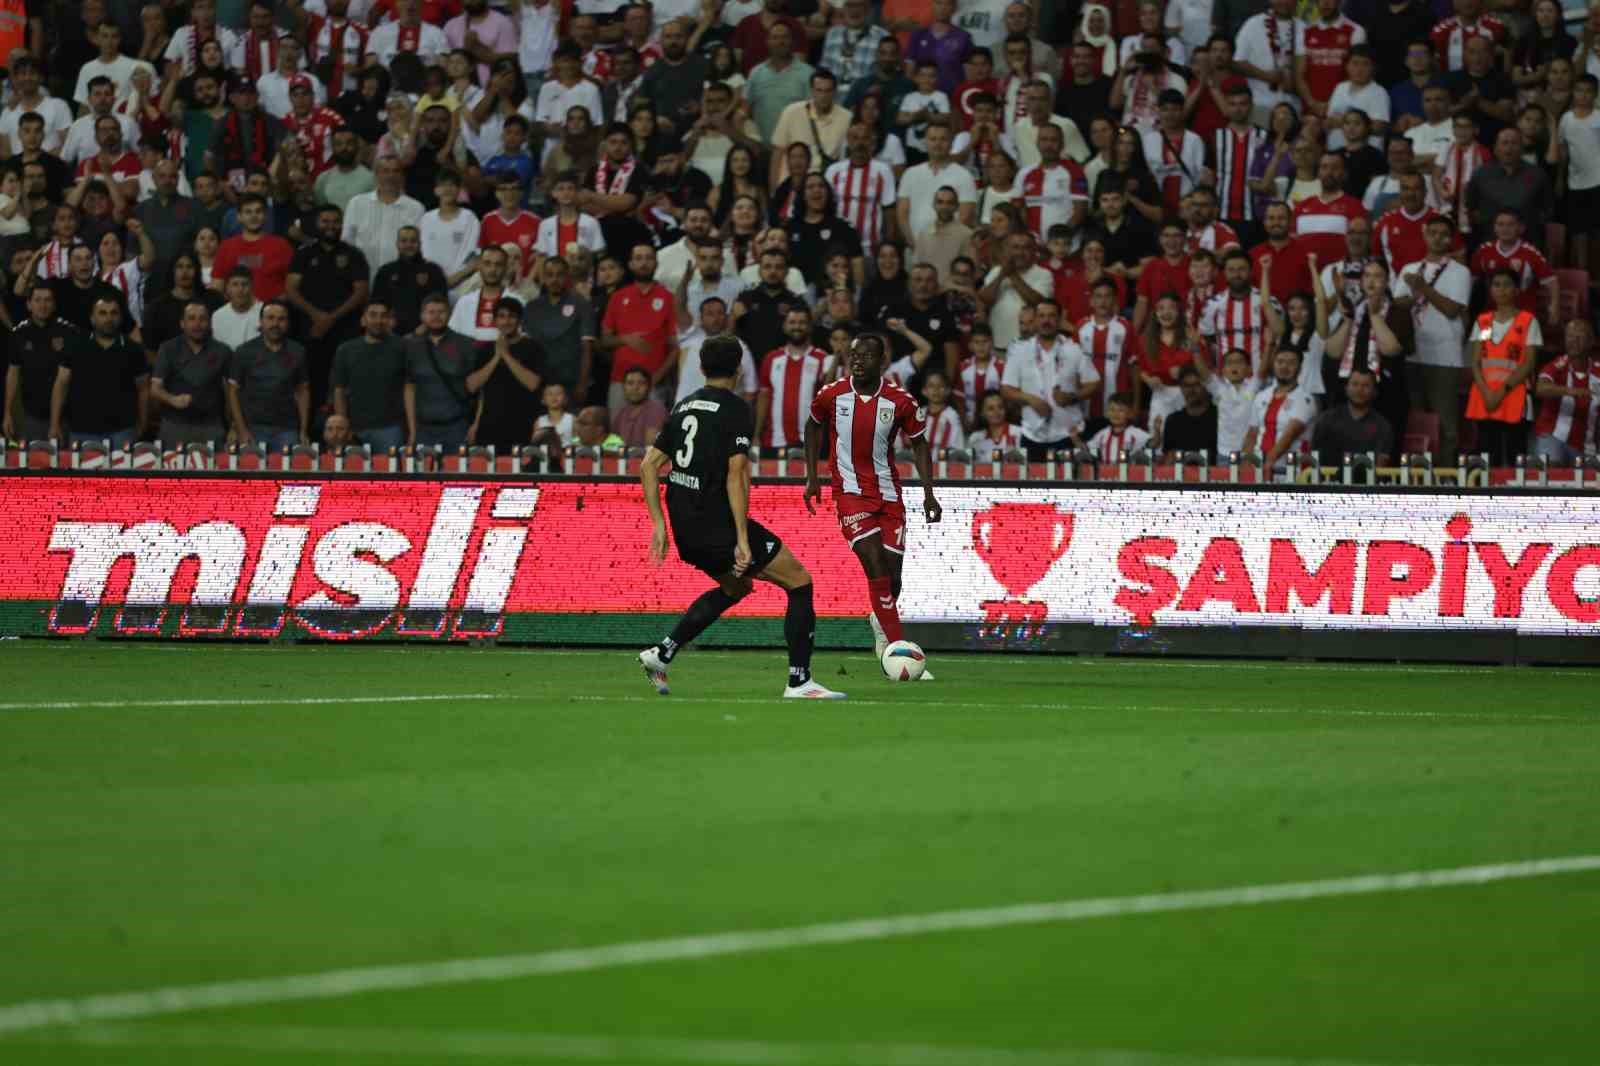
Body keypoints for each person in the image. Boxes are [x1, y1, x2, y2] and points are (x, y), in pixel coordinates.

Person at [636, 333, 843, 698]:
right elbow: (736, 475)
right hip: (717, 525)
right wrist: (743, 540)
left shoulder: (684, 405)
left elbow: (648, 466)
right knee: (799, 581)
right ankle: (799, 681)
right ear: (740, 368)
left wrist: (658, 525)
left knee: (736, 586)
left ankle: (661, 653)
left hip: (685, 525)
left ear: (700, 368)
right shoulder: (736, 410)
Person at [803, 331, 942, 678]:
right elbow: (812, 426)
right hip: (850, 494)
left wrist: (928, 493)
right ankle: (897, 649)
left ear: (882, 361)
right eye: (854, 356)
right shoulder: (832, 394)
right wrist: (812, 477)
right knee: (875, 565)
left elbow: (920, 445)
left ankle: (880, 619)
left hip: (889, 495)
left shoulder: (899, 401)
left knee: (892, 579)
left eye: (866, 356)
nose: (858, 361)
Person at [1392, 215, 1471, 463]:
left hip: (1445, 357)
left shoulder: (1460, 272)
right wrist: (1414, 295)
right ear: (1424, 235)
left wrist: (1424, 289)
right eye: (1432, 232)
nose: (1437, 238)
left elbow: (1452, 310)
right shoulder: (1409, 269)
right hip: (1413, 353)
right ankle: (1417, 473)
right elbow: (1397, 305)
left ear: (1450, 239)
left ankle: (1446, 476)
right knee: (1416, 420)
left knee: (1446, 423)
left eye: (1443, 234)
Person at [49, 295, 149, 449]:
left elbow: (143, 388)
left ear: (120, 318)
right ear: (92, 318)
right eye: (102, 313)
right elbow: (61, 385)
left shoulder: (133, 350)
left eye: (113, 313)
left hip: (122, 432)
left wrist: (143, 423)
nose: (109, 318)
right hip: (81, 431)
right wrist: (54, 424)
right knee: (82, 474)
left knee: (120, 474)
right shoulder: (76, 346)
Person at [1000, 299, 1096, 459]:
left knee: (1069, 483)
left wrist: (1073, 397)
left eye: (1051, 316)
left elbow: (1093, 382)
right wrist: (1031, 399)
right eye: (1041, 316)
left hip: (1068, 434)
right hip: (1032, 435)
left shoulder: (1073, 349)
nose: (1046, 320)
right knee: (1031, 484)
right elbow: (1006, 389)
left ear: (1059, 320)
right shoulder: (1019, 351)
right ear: (1036, 320)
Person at [1466, 268, 1540, 467]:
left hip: (1514, 395)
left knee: (1516, 454)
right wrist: (1486, 391)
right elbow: (1476, 361)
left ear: (1516, 290)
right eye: (1496, 285)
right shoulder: (1484, 322)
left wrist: (1501, 391)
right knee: (1488, 456)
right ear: (1490, 290)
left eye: (1507, 284)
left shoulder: (1527, 321)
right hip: (1485, 396)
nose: (1501, 289)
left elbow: (1529, 363)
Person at [601, 243, 679, 412]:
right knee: (618, 436)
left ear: (656, 263)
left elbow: (675, 348)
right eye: (638, 258)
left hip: (654, 382)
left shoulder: (668, 298)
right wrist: (626, 338)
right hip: (620, 381)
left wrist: (655, 378)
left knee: (653, 437)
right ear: (630, 264)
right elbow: (604, 340)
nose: (644, 263)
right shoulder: (617, 297)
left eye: (649, 258)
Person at [227, 301, 310, 451]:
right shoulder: (244, 351)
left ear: (288, 323)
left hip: (287, 429)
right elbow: (233, 392)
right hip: (253, 428)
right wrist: (241, 429)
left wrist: (303, 430)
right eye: (270, 318)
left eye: (281, 319)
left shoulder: (298, 351)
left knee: (288, 474)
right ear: (261, 322)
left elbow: (302, 391)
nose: (275, 323)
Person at [404, 292, 481, 451]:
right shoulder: (412, 346)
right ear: (422, 316)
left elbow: (481, 389)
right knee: (424, 475)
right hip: (424, 429)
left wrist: (476, 424)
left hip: (458, 427)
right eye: (431, 312)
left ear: (450, 314)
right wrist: (412, 430)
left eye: (441, 312)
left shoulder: (465, 344)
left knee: (458, 475)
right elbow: (410, 387)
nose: (436, 316)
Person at [150, 300, 233, 447]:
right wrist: (172, 399)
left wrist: (233, 427)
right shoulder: (168, 349)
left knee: (214, 469)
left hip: (211, 426)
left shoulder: (223, 351)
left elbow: (231, 392)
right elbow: (155, 388)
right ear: (182, 323)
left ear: (209, 323)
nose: (197, 324)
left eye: (202, 319)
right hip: (174, 426)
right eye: (192, 318)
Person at [465, 297, 544, 451]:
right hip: (489, 426)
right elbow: (473, 386)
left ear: (520, 320)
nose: (506, 321)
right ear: (495, 321)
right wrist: (496, 357)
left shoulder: (533, 347)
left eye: (512, 316)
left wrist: (506, 356)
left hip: (523, 426)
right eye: (501, 316)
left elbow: (533, 384)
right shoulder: (486, 350)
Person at [333, 299, 410, 453]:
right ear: (363, 320)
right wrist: (343, 427)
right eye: (373, 315)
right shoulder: (346, 350)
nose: (378, 320)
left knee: (391, 475)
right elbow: (339, 390)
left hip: (391, 428)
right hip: (354, 428)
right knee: (352, 476)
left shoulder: (402, 347)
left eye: (383, 316)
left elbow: (409, 388)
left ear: (389, 320)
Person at [342, 157, 425, 282]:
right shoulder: (356, 203)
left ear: (402, 176)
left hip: (400, 280)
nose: (390, 176)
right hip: (360, 279)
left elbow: (418, 248)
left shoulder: (416, 208)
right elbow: (347, 243)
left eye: (396, 171)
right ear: (376, 175)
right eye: (385, 171)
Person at [1532, 320, 1599, 465]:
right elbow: (1540, 388)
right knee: (1550, 468)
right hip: (1553, 436)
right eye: (1569, 336)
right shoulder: (1557, 365)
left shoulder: (1598, 372)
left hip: (1586, 445)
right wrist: (1571, 391)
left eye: (1579, 336)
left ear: (1591, 341)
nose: (1573, 341)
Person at [1241, 347, 1316, 467]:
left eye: (1291, 363)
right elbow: (1252, 434)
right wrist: (1244, 465)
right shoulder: (1261, 396)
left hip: (1291, 471)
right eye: (1280, 362)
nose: (1284, 367)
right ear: (1273, 365)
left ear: (1300, 368)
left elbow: (1289, 435)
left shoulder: (1305, 400)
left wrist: (1266, 466)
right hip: (1261, 467)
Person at [371, 225, 449, 338]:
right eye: (404, 241)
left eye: (413, 241)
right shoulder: (385, 271)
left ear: (420, 244)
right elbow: (376, 304)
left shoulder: (433, 270)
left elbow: (442, 305)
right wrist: (386, 326)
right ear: (397, 244)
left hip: (425, 335)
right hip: (390, 335)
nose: (408, 245)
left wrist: (423, 329)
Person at [1312, 366, 1394, 465]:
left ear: (1375, 392)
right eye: (1355, 384)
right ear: (1346, 388)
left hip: (1366, 479)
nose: (1359, 389)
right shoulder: (1327, 419)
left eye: (1366, 385)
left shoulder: (1382, 425)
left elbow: (1380, 465)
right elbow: (1314, 457)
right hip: (1329, 478)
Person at [1156, 365, 1219, 459]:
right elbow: (1169, 457)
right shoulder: (1173, 421)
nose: (1191, 390)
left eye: (1196, 384)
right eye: (1186, 385)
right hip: (1180, 472)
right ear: (1180, 388)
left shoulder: (1219, 417)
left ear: (1206, 387)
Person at [211, 266, 263, 349]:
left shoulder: (264, 312)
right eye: (235, 284)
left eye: (245, 284)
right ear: (227, 288)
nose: (240, 289)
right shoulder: (217, 316)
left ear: (252, 287)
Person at [966, 387, 1023, 461]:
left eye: (1000, 407)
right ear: (982, 413)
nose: (997, 412)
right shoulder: (975, 438)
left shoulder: (1019, 433)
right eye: (990, 408)